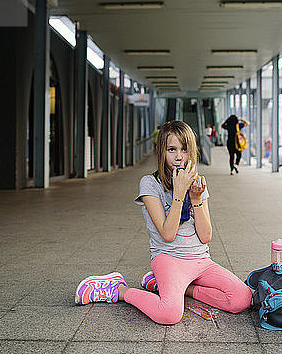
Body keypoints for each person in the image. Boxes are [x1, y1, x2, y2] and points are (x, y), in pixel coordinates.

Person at [74, 120, 252, 325]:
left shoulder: (198, 183)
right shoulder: (150, 184)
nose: (178, 156)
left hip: (201, 262)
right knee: (169, 314)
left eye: (184, 149)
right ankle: (119, 290)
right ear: (162, 152)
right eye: (171, 149)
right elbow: (168, 234)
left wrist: (195, 199)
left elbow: (206, 236)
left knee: (242, 298)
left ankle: (182, 289)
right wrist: (178, 194)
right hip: (168, 259)